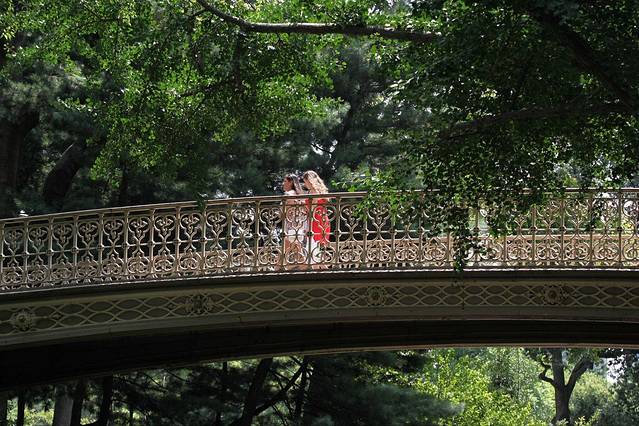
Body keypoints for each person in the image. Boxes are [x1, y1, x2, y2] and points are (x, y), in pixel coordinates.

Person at [302, 170, 331, 268]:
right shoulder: (319, 190)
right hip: (322, 219)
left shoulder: (314, 191)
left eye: (305, 181)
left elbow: (312, 209)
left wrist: (308, 226)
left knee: (313, 249)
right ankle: (324, 270)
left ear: (309, 180)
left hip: (316, 220)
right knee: (319, 249)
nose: (305, 184)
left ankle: (319, 270)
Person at [282, 174, 307, 269]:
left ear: (291, 182)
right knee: (291, 250)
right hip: (299, 226)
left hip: (290, 227)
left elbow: (283, 211)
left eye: (285, 181)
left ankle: (277, 270)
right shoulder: (300, 195)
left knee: (288, 250)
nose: (283, 183)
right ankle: (280, 269)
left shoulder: (289, 194)